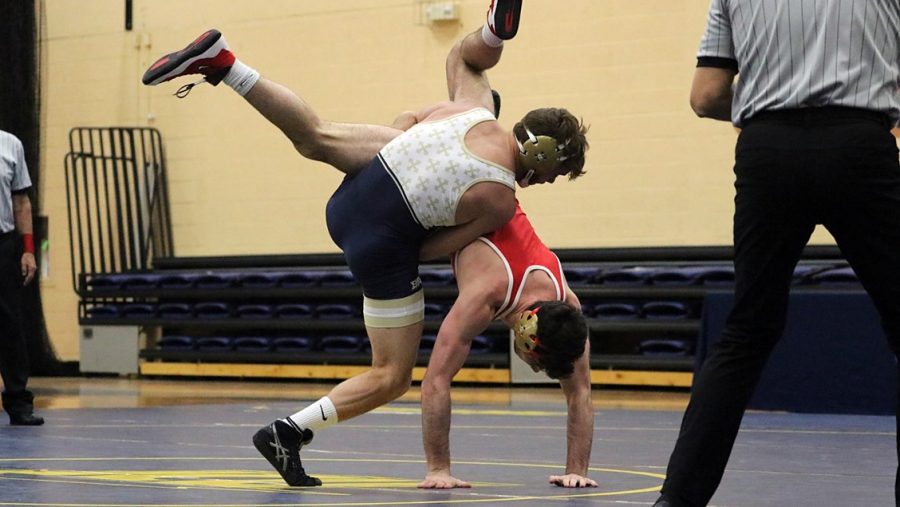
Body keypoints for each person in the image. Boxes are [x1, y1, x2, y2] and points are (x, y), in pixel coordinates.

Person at [143, 0, 588, 487]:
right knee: (392, 375)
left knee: (314, 135)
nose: (547, 182)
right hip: (374, 238)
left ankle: (226, 64)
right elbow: (428, 250)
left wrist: (408, 147)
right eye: (552, 173)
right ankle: (288, 433)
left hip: (374, 173)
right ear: (541, 155)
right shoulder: (501, 202)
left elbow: (418, 107)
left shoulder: (474, 109)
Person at [654, 1, 900, 506]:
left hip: (768, 150)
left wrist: (770, 96)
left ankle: (675, 501)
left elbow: (705, 96)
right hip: (860, 146)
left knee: (746, 332)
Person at [417, 202, 596, 489]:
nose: (536, 370)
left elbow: (580, 391)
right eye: (537, 363)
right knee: (392, 375)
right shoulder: (487, 293)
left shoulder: (568, 307)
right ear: (526, 336)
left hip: (490, 197)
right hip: (456, 197)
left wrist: (576, 471)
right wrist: (438, 469)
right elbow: (434, 381)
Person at [0, 130, 43, 426]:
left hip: (2, 243)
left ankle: (18, 401)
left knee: (9, 322)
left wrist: (28, 249)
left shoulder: (10, 144)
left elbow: (21, 202)